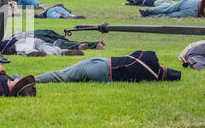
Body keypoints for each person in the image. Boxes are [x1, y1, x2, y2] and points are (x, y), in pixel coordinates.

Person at [34, 50, 181, 83]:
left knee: (60, 74)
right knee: (62, 77)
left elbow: (136, 53)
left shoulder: (151, 58)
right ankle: (32, 79)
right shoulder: (149, 79)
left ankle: (33, 79)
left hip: (103, 63)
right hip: (103, 73)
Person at [139, 0, 204, 18]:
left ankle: (147, 11)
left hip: (191, 3)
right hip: (193, 11)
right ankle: (150, 15)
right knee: (169, 15)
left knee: (167, 8)